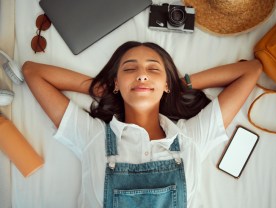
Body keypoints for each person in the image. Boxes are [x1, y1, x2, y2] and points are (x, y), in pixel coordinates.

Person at [22, 41, 262, 208]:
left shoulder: (190, 138)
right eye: (129, 69)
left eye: (153, 69)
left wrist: (180, 84)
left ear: (166, 84)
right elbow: (32, 71)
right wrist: (99, 88)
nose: (142, 75)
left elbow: (252, 70)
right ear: (116, 83)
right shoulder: (92, 136)